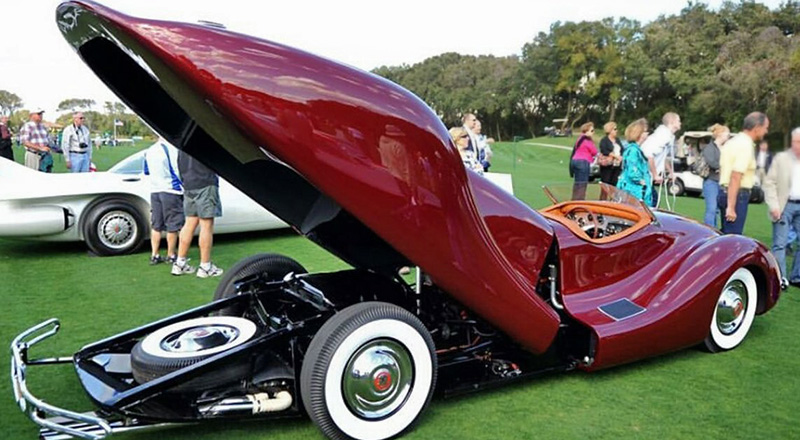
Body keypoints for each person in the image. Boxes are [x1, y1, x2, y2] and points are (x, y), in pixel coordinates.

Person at [171, 151, 224, 278]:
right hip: (205, 183)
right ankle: (205, 266)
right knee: (206, 226)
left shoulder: (183, 143)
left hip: (189, 184)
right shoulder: (204, 140)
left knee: (189, 223)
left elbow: (179, 163)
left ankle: (180, 263)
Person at [718, 112, 769, 235]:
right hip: (737, 195)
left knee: (725, 235)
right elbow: (736, 176)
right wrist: (731, 206)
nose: (766, 131)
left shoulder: (732, 141)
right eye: (765, 128)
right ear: (757, 128)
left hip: (724, 192)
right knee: (733, 237)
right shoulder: (745, 145)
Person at [763, 127, 800, 285]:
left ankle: (797, 276)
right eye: (797, 142)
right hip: (784, 206)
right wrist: (774, 205)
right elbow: (769, 182)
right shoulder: (781, 159)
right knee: (780, 243)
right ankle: (780, 277)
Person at [143, 139, 184, 265]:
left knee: (156, 225)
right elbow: (176, 169)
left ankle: (154, 254)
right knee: (172, 225)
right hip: (170, 190)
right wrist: (183, 185)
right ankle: (171, 254)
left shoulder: (149, 151)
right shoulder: (170, 149)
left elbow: (146, 171)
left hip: (155, 190)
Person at [641, 112, 681, 206]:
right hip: (643, 175)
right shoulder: (663, 136)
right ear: (671, 122)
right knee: (650, 203)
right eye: (678, 121)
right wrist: (655, 175)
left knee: (653, 201)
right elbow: (649, 154)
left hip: (647, 176)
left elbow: (663, 158)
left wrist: (671, 172)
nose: (680, 123)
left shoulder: (667, 136)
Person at [616, 119, 653, 205]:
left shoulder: (633, 149)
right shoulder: (633, 151)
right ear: (639, 133)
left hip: (632, 189)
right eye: (645, 131)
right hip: (634, 191)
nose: (647, 133)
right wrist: (642, 181)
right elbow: (632, 171)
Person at [701, 124, 730, 227]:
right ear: (720, 134)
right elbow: (711, 163)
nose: (728, 136)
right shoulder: (710, 148)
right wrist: (723, 167)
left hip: (724, 182)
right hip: (711, 181)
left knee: (722, 209)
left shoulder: (727, 147)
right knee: (712, 209)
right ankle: (709, 231)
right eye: (727, 133)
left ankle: (720, 232)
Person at [569, 122, 598, 200]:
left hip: (575, 161)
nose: (593, 132)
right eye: (592, 131)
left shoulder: (580, 139)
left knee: (577, 183)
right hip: (582, 162)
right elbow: (594, 152)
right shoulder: (587, 140)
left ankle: (574, 199)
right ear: (586, 131)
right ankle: (579, 201)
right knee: (582, 183)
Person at [598, 121, 624, 186]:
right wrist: (614, 156)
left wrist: (621, 157)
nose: (616, 131)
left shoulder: (617, 140)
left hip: (617, 166)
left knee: (614, 185)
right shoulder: (604, 140)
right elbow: (604, 150)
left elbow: (622, 150)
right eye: (615, 129)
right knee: (605, 185)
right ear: (610, 130)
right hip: (607, 166)